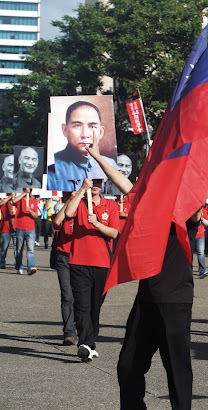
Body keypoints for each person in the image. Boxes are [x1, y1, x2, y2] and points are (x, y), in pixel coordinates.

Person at [85, 133, 199, 409]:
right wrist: (99, 156)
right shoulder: (148, 206)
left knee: (177, 374)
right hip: (146, 299)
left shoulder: (186, 211)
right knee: (128, 366)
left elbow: (195, 202)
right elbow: (125, 184)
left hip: (174, 301)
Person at [65, 178, 119, 362]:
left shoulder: (110, 205)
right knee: (82, 305)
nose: (95, 185)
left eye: (98, 182)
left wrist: (96, 223)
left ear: (102, 185)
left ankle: (90, 341)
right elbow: (68, 212)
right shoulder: (79, 201)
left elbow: (114, 233)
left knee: (95, 306)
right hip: (79, 262)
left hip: (103, 263)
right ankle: (85, 345)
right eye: (92, 182)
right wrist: (82, 189)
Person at [47, 101, 118, 190]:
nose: (85, 134)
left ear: (101, 132)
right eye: (77, 125)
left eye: (92, 126)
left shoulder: (110, 164)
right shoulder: (52, 170)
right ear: (65, 130)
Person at [51, 192, 77, 346]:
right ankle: (69, 332)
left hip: (82, 257)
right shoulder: (62, 212)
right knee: (67, 295)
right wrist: (69, 202)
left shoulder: (85, 209)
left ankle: (84, 328)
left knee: (83, 297)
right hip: (64, 258)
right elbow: (56, 222)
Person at [11, 188, 37, 275]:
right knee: (19, 249)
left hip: (30, 229)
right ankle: (19, 266)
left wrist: (29, 210)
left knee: (30, 249)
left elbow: (35, 215)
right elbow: (13, 201)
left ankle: (31, 267)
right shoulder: (20, 200)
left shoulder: (34, 201)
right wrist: (24, 193)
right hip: (20, 227)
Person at [0, 193, 16, 269]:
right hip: (5, 228)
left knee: (17, 247)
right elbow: (1, 204)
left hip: (16, 228)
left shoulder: (17, 202)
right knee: (4, 247)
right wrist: (9, 197)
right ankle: (2, 262)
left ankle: (17, 263)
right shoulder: (5, 202)